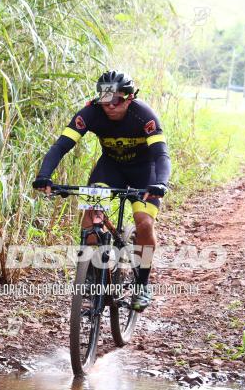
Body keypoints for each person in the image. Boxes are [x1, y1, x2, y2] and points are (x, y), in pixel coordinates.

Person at [33, 70, 170, 311]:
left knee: (144, 223)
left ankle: (142, 284)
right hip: (110, 168)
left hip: (143, 171)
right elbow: (61, 146)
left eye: (115, 100)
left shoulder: (144, 116)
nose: (108, 106)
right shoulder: (91, 112)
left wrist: (161, 183)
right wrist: (44, 175)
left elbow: (160, 155)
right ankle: (91, 275)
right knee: (90, 220)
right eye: (103, 99)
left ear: (129, 98)